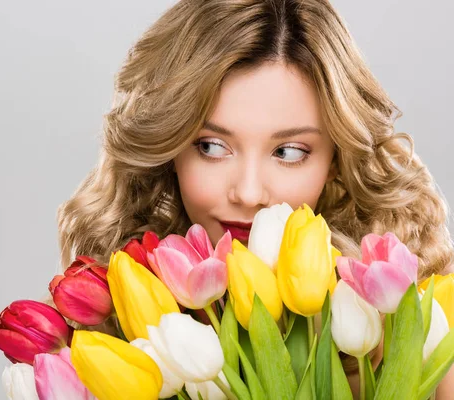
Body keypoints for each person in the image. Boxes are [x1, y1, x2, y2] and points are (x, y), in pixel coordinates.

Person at [55, 0, 454, 397]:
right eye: (211, 147)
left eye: (289, 152)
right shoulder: (108, 337)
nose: (248, 193)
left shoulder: (421, 332)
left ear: (336, 158)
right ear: (169, 150)